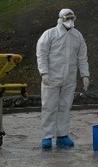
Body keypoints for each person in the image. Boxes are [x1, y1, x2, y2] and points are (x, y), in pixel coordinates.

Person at [36, 9, 90, 150]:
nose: (70, 21)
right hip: (51, 78)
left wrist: (85, 75)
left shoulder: (77, 36)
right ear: (60, 18)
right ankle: (47, 136)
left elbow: (82, 57)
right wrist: (44, 73)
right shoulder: (49, 34)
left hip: (69, 79)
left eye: (72, 18)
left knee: (65, 107)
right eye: (68, 18)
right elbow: (41, 54)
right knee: (49, 107)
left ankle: (62, 135)